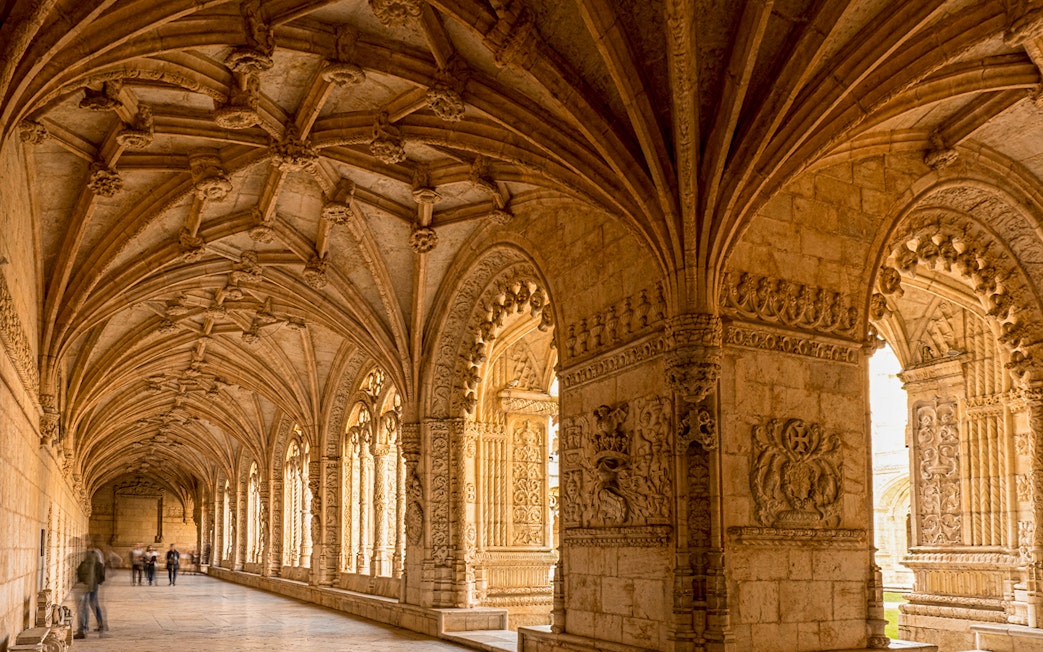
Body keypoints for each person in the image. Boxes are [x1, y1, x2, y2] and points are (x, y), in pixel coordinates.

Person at [73, 547, 105, 639]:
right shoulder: (95, 554)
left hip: (88, 584)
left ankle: (83, 629)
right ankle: (100, 624)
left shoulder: (90, 556)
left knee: (83, 607)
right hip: (93, 583)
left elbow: (90, 572)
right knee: (93, 604)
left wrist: (87, 586)